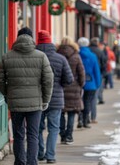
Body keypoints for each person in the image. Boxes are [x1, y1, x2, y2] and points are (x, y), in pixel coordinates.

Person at [0, 27, 54, 165]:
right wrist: (45, 100)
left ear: (17, 38)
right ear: (32, 38)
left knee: (18, 135)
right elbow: (48, 80)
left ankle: (20, 162)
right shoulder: (41, 56)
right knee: (33, 135)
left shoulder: (7, 56)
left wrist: (7, 93)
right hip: (35, 104)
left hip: (15, 103)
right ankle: (32, 162)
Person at [36, 30, 74, 163]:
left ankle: (40, 153)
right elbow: (69, 79)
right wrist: (59, 85)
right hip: (56, 98)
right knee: (54, 128)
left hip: (37, 99)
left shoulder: (34, 58)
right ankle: (50, 156)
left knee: (37, 128)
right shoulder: (60, 58)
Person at [57, 36, 85, 145]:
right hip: (74, 88)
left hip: (61, 88)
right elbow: (81, 73)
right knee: (72, 113)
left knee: (60, 113)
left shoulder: (57, 55)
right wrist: (81, 85)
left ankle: (62, 134)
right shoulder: (76, 56)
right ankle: (69, 136)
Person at [77, 37, 101, 128]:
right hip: (91, 83)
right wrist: (98, 83)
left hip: (79, 82)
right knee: (88, 102)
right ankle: (86, 120)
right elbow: (96, 71)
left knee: (79, 101)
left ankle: (80, 119)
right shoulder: (92, 56)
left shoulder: (77, 55)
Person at [89, 37, 107, 124]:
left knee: (85, 98)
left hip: (86, 76)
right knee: (94, 98)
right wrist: (103, 73)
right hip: (97, 75)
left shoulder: (88, 51)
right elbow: (104, 63)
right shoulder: (100, 52)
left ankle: (84, 118)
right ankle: (93, 117)